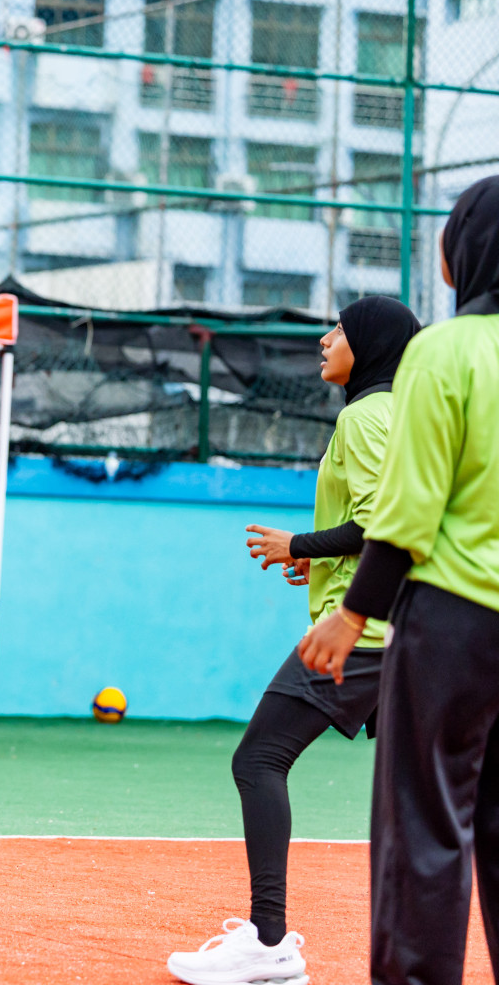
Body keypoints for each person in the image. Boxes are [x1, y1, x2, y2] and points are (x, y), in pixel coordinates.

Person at [166, 296, 421, 985]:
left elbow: (380, 524)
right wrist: (322, 557)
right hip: (410, 629)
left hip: (364, 632)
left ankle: (269, 943)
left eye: (339, 328)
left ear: (367, 344)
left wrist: (298, 543)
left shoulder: (366, 416)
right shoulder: (403, 413)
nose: (324, 336)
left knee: (259, 760)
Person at [297, 176, 499, 985]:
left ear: (457, 258)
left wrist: (353, 613)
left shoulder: (443, 351)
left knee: (426, 826)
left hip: (454, 622)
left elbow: (408, 513)